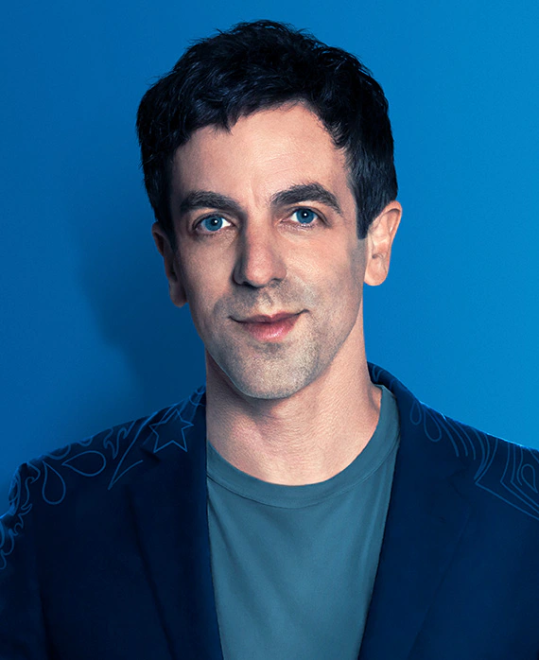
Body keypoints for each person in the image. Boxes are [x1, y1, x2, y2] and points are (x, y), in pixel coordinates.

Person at [1, 18, 538, 660]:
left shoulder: (524, 518)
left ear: (377, 243)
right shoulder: (58, 518)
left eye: (302, 215)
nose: (257, 267)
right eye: (214, 222)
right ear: (171, 263)